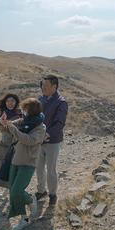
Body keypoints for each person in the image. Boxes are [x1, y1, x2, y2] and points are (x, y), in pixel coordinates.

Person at [0, 98, 46, 230]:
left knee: (17, 191)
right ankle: (24, 219)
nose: (24, 112)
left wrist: (13, 129)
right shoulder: (22, 122)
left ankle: (30, 199)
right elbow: (7, 128)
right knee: (13, 194)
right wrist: (2, 122)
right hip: (15, 160)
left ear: (33, 111)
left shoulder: (41, 127)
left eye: (26, 109)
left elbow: (29, 140)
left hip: (28, 163)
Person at [35, 75, 68, 206]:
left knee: (51, 169)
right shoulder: (40, 99)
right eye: (42, 85)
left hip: (52, 141)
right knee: (38, 168)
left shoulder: (61, 102)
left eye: (46, 86)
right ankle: (41, 190)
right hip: (38, 141)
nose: (43, 88)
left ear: (54, 87)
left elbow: (60, 123)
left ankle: (52, 194)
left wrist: (47, 134)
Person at [0, 93, 21, 195]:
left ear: (16, 102)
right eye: (8, 101)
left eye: (12, 101)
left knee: (14, 168)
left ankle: (11, 190)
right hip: (4, 145)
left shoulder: (20, 113)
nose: (10, 103)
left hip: (16, 145)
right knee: (2, 166)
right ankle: (7, 188)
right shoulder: (2, 113)